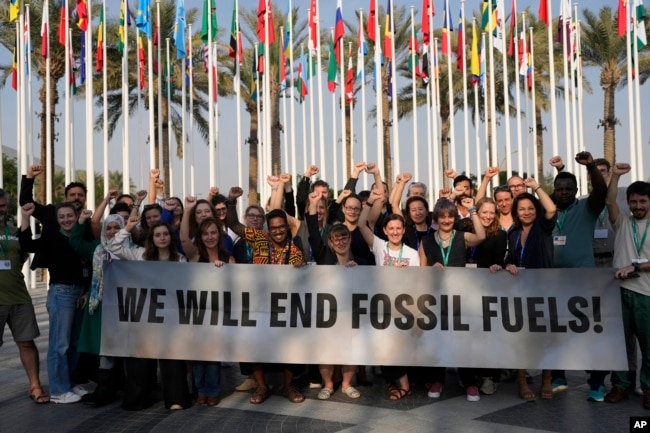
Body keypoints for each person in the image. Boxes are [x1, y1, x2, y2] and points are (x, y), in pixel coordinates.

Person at [224, 186, 307, 405]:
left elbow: (305, 278)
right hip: (259, 304)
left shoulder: (294, 250)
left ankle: (289, 386)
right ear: (267, 228)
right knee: (254, 344)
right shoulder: (259, 239)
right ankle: (262, 386)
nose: (278, 231)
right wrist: (231, 201)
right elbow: (233, 224)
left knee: (291, 347)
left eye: (281, 228)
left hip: (284, 308)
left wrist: (302, 266)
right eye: (274, 228)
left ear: (287, 228)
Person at [106, 218, 192, 411]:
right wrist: (128, 227)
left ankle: (176, 398)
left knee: (172, 357)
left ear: (171, 237)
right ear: (152, 238)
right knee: (141, 359)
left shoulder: (179, 259)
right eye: (158, 235)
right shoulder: (140, 256)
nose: (162, 238)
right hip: (144, 317)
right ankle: (137, 399)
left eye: (165, 234)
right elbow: (113, 246)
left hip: (170, 318)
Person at [545, 152, 608, 400]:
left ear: (576, 190)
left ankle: (596, 382)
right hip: (552, 282)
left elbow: (601, 193)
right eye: (559, 188)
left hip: (583, 281)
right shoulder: (547, 211)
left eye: (568, 188)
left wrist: (591, 166)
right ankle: (559, 375)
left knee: (589, 331)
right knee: (556, 329)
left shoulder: (587, 208)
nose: (563, 192)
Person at [19, 202, 92, 404]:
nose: (66, 220)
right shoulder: (51, 237)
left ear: (76, 216)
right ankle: (59, 390)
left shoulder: (82, 235)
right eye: (62, 217)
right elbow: (27, 245)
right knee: (60, 344)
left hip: (80, 294)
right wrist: (25, 218)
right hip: (62, 294)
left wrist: (86, 291)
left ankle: (68, 383)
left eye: (70, 216)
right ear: (57, 220)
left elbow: (89, 264)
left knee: (75, 343)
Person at [492, 177, 557, 401]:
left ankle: (547, 379)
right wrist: (505, 265)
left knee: (546, 337)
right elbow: (510, 259)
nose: (527, 212)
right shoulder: (513, 234)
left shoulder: (543, 227)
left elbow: (551, 208)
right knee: (522, 337)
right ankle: (521, 380)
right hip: (520, 292)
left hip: (543, 289)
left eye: (530, 208)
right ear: (516, 212)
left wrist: (536, 187)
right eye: (522, 209)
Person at [420, 196, 486, 402]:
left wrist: (473, 210)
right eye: (442, 217)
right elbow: (421, 270)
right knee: (438, 340)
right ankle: (437, 380)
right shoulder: (427, 240)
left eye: (450, 216)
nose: (447, 220)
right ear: (436, 219)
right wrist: (431, 269)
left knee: (462, 340)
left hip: (460, 296)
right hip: (436, 297)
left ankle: (470, 384)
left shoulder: (462, 236)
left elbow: (482, 236)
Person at [358, 190, 420, 401]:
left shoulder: (412, 254)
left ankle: (402, 384)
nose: (394, 232)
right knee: (383, 347)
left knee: (398, 347)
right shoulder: (379, 245)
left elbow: (418, 282)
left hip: (403, 307)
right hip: (381, 306)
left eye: (398, 228)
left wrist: (407, 274)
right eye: (390, 228)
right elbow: (360, 225)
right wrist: (370, 202)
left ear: (404, 230)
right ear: (384, 230)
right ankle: (397, 383)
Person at [304, 192, 363, 400]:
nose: (340, 242)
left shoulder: (358, 261)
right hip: (326, 313)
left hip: (350, 314)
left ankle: (347, 384)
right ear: (330, 242)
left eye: (344, 237)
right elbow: (312, 232)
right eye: (336, 238)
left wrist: (358, 271)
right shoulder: (324, 258)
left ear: (349, 239)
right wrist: (312, 204)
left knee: (351, 348)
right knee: (326, 349)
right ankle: (328, 385)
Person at [603, 164, 650, 410]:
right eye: (633, 202)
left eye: (643, 201)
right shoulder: (622, 221)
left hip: (646, 294)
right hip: (619, 293)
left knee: (649, 346)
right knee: (619, 344)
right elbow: (610, 202)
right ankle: (621, 385)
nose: (638, 206)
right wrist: (616, 176)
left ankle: (649, 388)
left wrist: (636, 268)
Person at [69, 211, 125, 407]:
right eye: (108, 228)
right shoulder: (96, 249)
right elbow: (75, 242)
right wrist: (82, 221)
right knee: (104, 350)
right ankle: (104, 390)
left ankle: (123, 389)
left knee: (124, 348)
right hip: (100, 306)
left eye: (117, 227)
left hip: (124, 308)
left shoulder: (133, 250)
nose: (112, 231)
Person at [0, 189, 49, 404]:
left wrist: (26, 218)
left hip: (19, 297)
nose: (0, 209)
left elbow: (22, 255)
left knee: (27, 343)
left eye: (2, 205)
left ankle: (35, 385)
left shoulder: (13, 231)